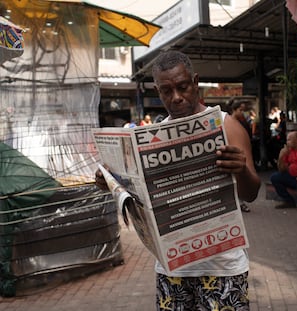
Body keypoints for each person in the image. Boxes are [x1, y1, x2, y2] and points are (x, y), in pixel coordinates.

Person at [95, 50, 261, 310]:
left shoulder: (226, 126)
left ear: (195, 82)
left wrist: (241, 170)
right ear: (157, 90)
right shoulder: (151, 136)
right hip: (172, 269)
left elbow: (251, 193)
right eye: (166, 91)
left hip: (222, 268)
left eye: (183, 87)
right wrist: (112, 182)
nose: (176, 97)